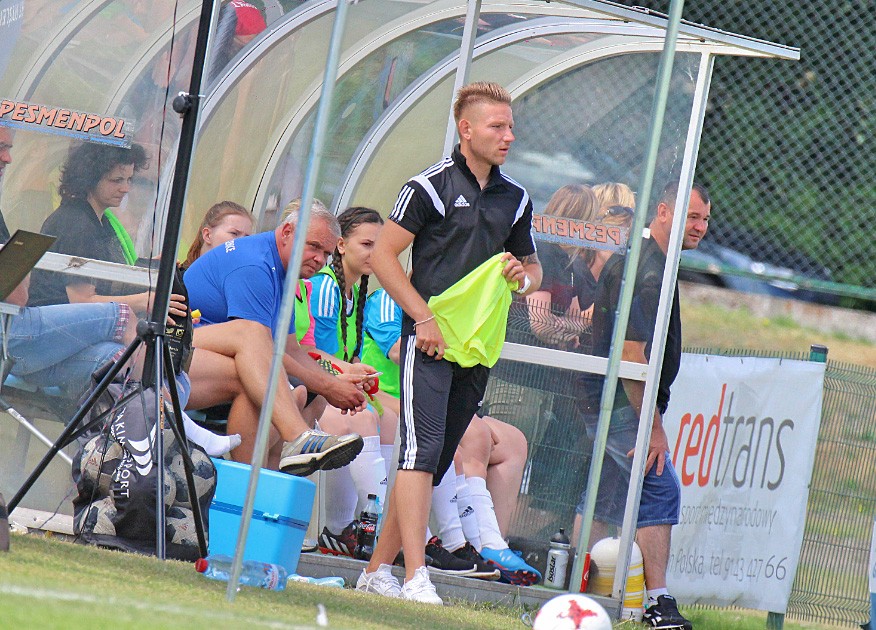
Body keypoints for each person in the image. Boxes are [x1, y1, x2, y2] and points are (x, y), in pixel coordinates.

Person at [357, 82, 542, 604]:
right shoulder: (428, 187)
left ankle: (376, 571)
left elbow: (533, 271)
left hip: (477, 349)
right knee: (420, 452)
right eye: (497, 126)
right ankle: (417, 575)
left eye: (510, 126)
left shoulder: (516, 198)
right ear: (466, 129)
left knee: (434, 462)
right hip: (428, 343)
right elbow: (383, 257)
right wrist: (423, 318)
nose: (509, 136)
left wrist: (522, 277)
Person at [575, 181, 711, 630]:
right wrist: (652, 427)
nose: (699, 227)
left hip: (607, 398)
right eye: (692, 217)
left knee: (605, 493)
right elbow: (633, 355)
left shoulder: (649, 260)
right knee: (659, 486)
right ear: (664, 211)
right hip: (618, 402)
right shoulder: (649, 270)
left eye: (705, 220)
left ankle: (575, 589)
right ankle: (657, 602)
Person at [184, 201, 374, 475]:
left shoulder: (283, 271)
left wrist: (332, 383)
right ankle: (258, 473)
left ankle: (274, 474)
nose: (320, 259)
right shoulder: (255, 265)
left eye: (326, 253)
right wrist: (330, 385)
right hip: (176, 350)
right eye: (313, 246)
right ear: (286, 232)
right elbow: (260, 348)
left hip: (211, 352)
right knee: (254, 373)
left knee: (308, 392)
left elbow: (291, 349)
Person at [0, 126, 138, 396]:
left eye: (130, 180)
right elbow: (19, 296)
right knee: (123, 316)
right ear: (91, 178)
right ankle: (159, 406)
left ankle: (136, 414)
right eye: (117, 180)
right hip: (16, 333)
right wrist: (147, 299)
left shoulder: (103, 223)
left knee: (114, 356)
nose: (126, 188)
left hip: (31, 337)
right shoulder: (75, 222)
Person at [305, 207, 397, 557]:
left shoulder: (354, 292)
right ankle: (375, 528)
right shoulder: (325, 286)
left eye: (380, 246)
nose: (375, 253)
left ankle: (349, 528)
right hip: (310, 387)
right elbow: (310, 353)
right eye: (367, 244)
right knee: (362, 418)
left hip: (329, 384)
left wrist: (357, 371)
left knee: (392, 419)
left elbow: (346, 356)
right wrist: (348, 372)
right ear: (341, 245)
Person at [182, 201, 253, 270]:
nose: (241, 242)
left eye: (246, 238)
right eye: (234, 233)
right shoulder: (178, 275)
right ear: (207, 235)